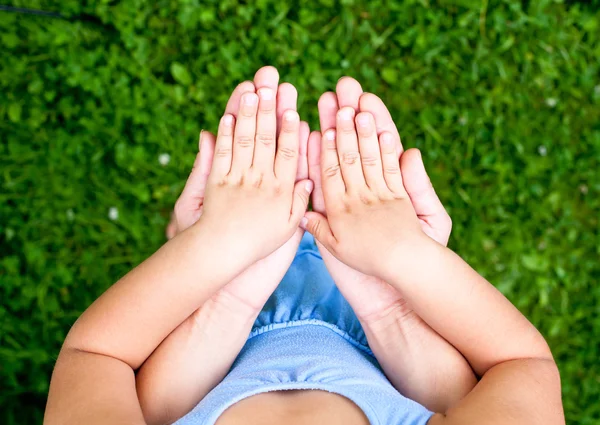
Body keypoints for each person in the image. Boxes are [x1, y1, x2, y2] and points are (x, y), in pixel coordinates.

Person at [44, 66, 565, 425]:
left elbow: (96, 357)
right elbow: (520, 368)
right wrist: (404, 270)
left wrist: (212, 261)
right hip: (389, 324)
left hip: (208, 324)